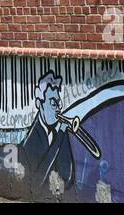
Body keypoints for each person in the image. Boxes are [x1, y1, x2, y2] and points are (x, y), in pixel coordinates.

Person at [20, 70, 101, 199]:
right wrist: (61, 134)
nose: (58, 108)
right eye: (53, 103)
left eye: (59, 102)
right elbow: (36, 183)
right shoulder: (29, 142)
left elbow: (67, 177)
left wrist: (62, 136)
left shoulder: (59, 134)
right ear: (39, 104)